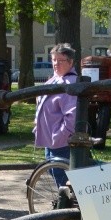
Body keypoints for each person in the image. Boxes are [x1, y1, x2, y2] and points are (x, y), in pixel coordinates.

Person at [34, 43, 78, 186]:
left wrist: (60, 135)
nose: (55, 64)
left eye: (60, 60)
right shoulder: (54, 79)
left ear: (70, 62)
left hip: (61, 142)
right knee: (57, 176)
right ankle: (65, 204)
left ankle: (68, 206)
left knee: (65, 181)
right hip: (51, 141)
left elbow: (72, 116)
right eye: (53, 60)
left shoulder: (69, 83)